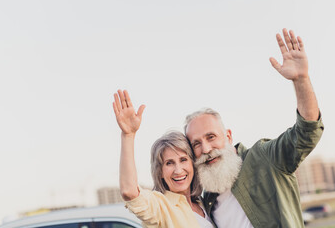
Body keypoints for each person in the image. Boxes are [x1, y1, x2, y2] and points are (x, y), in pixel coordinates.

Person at [184, 29, 324, 228]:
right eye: (196, 143)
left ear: (228, 136)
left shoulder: (264, 157)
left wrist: (301, 80)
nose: (206, 149)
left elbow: (307, 132)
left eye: (211, 137)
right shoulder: (208, 200)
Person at [113, 90, 214, 228]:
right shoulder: (160, 207)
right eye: (169, 163)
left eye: (183, 160)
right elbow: (129, 192)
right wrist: (128, 135)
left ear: (193, 163)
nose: (178, 170)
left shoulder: (203, 203)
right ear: (160, 172)